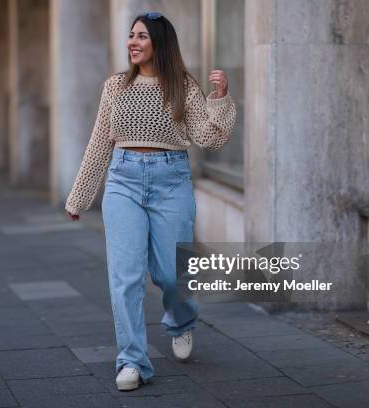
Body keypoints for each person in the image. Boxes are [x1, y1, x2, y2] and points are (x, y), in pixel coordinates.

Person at [64, 11, 237, 391]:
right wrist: (79, 197)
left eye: (141, 36)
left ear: (160, 43)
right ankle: (131, 361)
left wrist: (220, 100)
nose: (133, 42)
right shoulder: (115, 87)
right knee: (125, 278)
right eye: (131, 36)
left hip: (171, 181)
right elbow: (99, 143)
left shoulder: (183, 87)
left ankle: (181, 321)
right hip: (122, 181)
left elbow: (209, 138)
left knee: (171, 274)